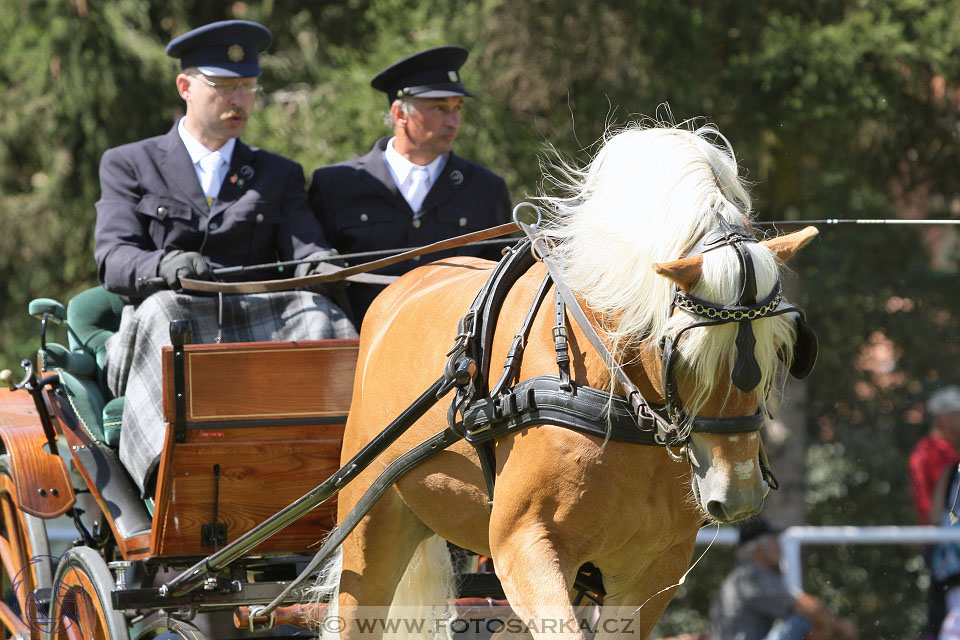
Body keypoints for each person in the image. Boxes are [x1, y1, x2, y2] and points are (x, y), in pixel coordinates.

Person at [94, 20, 356, 495]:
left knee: (324, 313)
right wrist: (163, 266)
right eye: (224, 87)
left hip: (254, 324)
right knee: (166, 311)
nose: (239, 100)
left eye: (248, 87)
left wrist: (323, 265)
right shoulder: (129, 163)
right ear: (186, 87)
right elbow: (113, 259)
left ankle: (343, 461)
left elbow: (305, 251)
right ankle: (168, 481)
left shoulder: (278, 173)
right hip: (164, 322)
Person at [308, 45, 512, 324]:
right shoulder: (336, 185)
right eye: (439, 108)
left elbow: (503, 281)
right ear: (399, 114)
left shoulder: (485, 189)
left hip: (451, 354)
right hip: (358, 350)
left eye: (457, 108)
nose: (453, 121)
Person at [709, 519, 858, 640]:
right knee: (802, 619)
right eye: (776, 541)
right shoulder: (752, 575)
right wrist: (839, 626)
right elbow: (807, 607)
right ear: (761, 547)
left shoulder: (742, 575)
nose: (780, 547)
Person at [910, 386, 960, 639]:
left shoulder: (924, 449)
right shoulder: (944, 453)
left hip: (935, 543)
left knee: (939, 611)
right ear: (944, 418)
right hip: (947, 547)